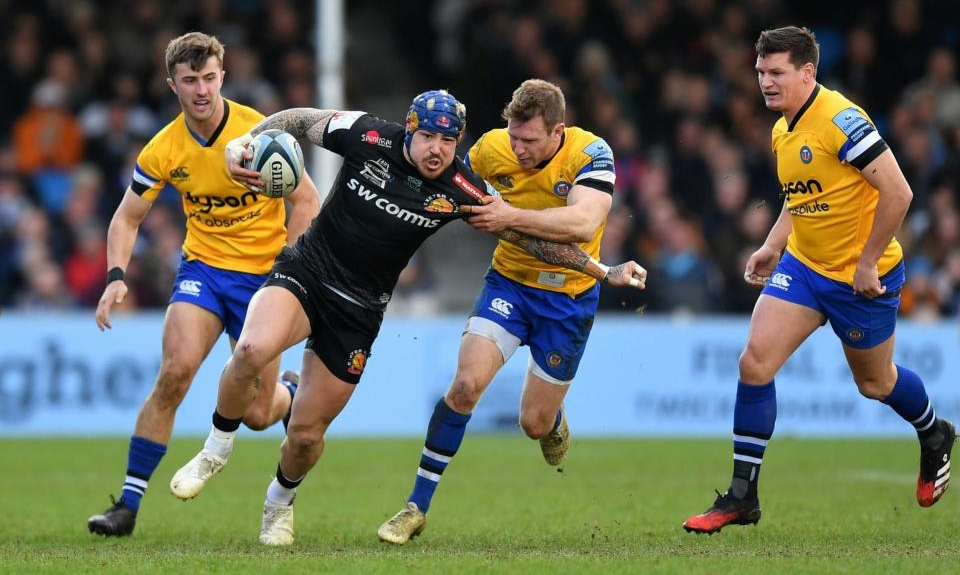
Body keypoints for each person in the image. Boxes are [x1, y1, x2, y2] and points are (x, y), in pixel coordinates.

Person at [168, 89, 646, 546]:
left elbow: (530, 240)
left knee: (307, 435)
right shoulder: (367, 135)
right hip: (308, 270)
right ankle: (215, 450)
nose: (437, 150)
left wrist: (602, 270)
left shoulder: (461, 186)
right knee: (251, 348)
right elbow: (298, 120)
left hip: (360, 309)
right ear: (410, 129)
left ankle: (279, 504)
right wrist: (247, 142)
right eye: (429, 137)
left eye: (448, 141)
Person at [682, 26, 956, 535]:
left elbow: (899, 193)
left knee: (876, 382)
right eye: (760, 72)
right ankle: (742, 496)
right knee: (755, 361)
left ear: (807, 72)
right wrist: (772, 243)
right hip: (805, 268)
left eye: (776, 72)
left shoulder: (842, 120)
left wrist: (869, 261)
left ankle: (934, 431)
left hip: (860, 278)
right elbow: (802, 194)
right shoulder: (783, 128)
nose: (764, 81)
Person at [86, 32, 321, 537]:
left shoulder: (258, 134)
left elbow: (306, 201)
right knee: (174, 375)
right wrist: (115, 278)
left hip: (264, 280)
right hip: (204, 272)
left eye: (209, 78)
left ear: (222, 77)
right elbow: (126, 218)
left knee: (259, 416)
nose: (201, 90)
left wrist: (292, 266)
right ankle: (126, 506)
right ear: (173, 85)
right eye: (190, 80)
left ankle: (286, 393)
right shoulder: (163, 147)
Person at [377, 78, 629, 544]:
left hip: (568, 300)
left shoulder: (591, 154)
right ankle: (416, 506)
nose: (518, 148)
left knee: (533, 424)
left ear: (558, 131)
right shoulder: (493, 149)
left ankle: (552, 421)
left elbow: (583, 222)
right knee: (465, 385)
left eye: (529, 140)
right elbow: (448, 189)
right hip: (509, 286)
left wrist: (508, 214)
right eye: (513, 136)